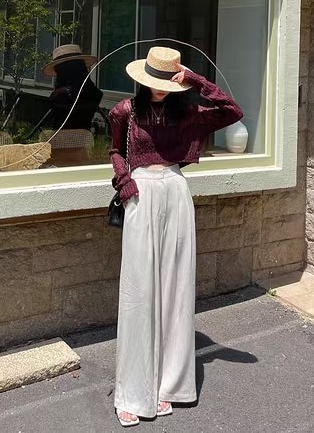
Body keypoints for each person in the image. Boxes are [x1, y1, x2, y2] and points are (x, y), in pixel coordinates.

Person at [109, 45, 243, 427]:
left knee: (175, 289)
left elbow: (233, 111)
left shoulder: (188, 113)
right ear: (144, 78)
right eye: (157, 80)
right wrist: (124, 183)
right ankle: (132, 392)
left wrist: (197, 80)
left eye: (169, 81)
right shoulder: (124, 111)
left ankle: (169, 383)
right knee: (138, 292)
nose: (162, 88)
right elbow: (116, 151)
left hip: (176, 193)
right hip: (140, 195)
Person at [42, 44, 103, 131]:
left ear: (62, 70)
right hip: (85, 137)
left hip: (61, 137)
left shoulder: (59, 96)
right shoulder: (93, 92)